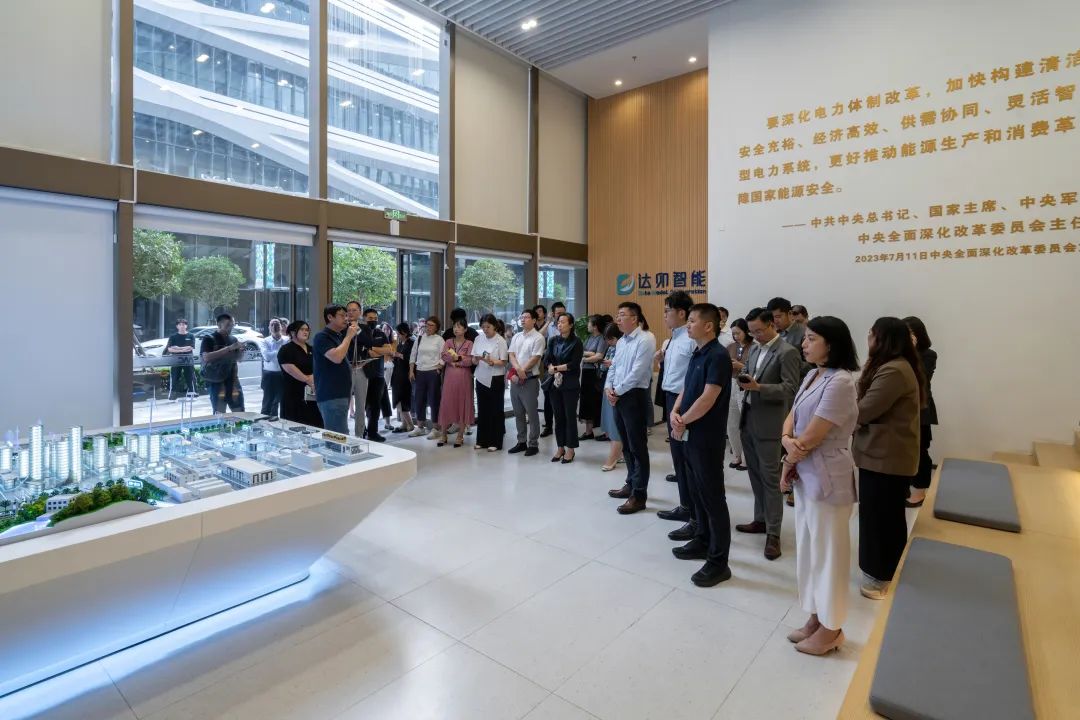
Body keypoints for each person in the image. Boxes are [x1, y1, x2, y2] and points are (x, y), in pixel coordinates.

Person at [780, 316, 860, 656]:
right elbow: (793, 417)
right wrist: (787, 441)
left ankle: (832, 627)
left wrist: (789, 455)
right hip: (806, 471)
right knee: (809, 549)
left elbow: (813, 435)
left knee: (829, 554)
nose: (804, 343)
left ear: (832, 344)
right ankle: (816, 616)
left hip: (827, 474)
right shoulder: (813, 374)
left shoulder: (841, 382)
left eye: (812, 338)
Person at [855, 317, 925, 600]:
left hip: (886, 457)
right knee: (884, 515)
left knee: (880, 517)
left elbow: (864, 410)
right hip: (883, 455)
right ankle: (887, 568)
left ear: (882, 339)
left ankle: (880, 575)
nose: (868, 338)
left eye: (871, 334)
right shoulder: (892, 365)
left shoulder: (894, 370)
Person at [670, 303, 734, 587]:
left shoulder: (718, 355)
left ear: (709, 326)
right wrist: (676, 410)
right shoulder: (698, 352)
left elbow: (708, 397)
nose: (688, 324)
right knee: (696, 491)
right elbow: (687, 387)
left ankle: (719, 562)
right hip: (689, 432)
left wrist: (682, 420)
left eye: (693, 320)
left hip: (706, 436)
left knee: (713, 498)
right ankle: (702, 539)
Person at [736, 307, 802, 560]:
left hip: (770, 424)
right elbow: (749, 375)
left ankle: (774, 533)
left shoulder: (787, 352)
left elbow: (790, 388)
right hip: (749, 419)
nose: (755, 336)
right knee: (754, 475)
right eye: (752, 332)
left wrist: (759, 387)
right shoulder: (754, 349)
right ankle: (760, 519)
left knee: (771, 479)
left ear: (772, 325)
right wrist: (742, 377)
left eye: (759, 331)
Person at [606, 302, 657, 514]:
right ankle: (630, 483)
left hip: (634, 396)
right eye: (617, 315)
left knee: (637, 447)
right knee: (626, 444)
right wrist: (608, 388)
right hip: (618, 395)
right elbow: (614, 367)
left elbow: (638, 372)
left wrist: (617, 391)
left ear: (634, 318)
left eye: (622, 315)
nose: (618, 319)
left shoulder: (646, 338)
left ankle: (639, 495)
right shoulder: (621, 341)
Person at [657, 291, 698, 530]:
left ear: (681, 313)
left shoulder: (691, 340)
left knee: (687, 457)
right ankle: (685, 505)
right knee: (678, 457)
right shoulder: (673, 338)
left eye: (667, 311)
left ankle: (693, 510)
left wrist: (680, 405)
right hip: (671, 397)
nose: (664, 316)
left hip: (684, 401)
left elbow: (692, 378)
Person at [903, 316, 938, 507]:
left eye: (909, 334)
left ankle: (920, 491)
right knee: (905, 450)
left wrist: (912, 352)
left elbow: (920, 380)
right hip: (902, 411)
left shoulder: (928, 354)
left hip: (920, 410)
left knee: (920, 451)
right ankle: (907, 486)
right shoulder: (899, 355)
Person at [312, 304, 359, 434]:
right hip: (331, 394)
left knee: (340, 433)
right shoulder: (322, 336)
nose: (346, 319)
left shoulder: (337, 336)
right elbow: (337, 357)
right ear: (330, 317)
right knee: (338, 436)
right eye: (342, 316)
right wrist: (348, 337)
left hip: (341, 393)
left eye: (346, 316)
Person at [543, 312, 584, 463]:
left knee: (569, 416)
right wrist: (550, 366)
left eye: (563, 322)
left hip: (570, 384)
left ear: (571, 325)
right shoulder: (553, 340)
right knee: (558, 416)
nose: (559, 325)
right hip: (555, 383)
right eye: (558, 322)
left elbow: (574, 364)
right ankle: (560, 447)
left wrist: (556, 368)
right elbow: (546, 359)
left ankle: (571, 449)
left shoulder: (577, 342)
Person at [507, 309, 546, 456]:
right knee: (518, 413)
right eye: (522, 317)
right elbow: (511, 354)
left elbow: (535, 358)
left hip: (529, 379)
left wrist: (522, 371)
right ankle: (521, 441)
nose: (523, 319)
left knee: (532, 413)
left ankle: (533, 444)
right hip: (516, 378)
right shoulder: (516, 336)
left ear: (534, 320)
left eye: (527, 317)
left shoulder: (538, 337)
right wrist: (518, 370)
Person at [472, 314, 509, 451]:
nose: (485, 329)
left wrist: (492, 362)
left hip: (495, 378)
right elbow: (473, 359)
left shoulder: (500, 341)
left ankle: (495, 442)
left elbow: (504, 362)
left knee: (495, 410)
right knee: (482, 409)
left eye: (488, 327)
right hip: (481, 377)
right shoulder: (478, 338)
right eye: (483, 327)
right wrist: (476, 359)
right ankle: (482, 440)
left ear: (495, 326)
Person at [277, 320, 323, 428]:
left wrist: (314, 377)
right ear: (293, 333)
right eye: (302, 329)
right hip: (293, 394)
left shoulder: (312, 349)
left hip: (312, 394)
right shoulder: (286, 349)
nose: (305, 332)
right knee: (295, 426)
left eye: (307, 330)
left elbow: (320, 366)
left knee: (315, 425)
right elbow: (290, 369)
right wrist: (307, 379)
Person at [437, 319, 475, 447]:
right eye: (454, 327)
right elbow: (444, 355)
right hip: (449, 377)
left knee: (462, 404)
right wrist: (456, 359)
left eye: (459, 327)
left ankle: (460, 436)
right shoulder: (448, 341)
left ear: (465, 329)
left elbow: (470, 360)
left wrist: (457, 359)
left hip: (464, 378)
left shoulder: (469, 343)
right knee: (446, 403)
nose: (456, 329)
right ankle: (443, 435)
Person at [200, 313, 247, 414]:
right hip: (216, 382)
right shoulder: (209, 338)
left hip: (233, 381)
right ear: (219, 324)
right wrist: (229, 348)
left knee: (240, 412)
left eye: (232, 325)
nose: (231, 328)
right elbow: (206, 357)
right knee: (219, 414)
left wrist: (241, 351)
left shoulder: (233, 339)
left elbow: (239, 359)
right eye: (228, 325)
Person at [409, 316, 445, 438]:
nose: (428, 327)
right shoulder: (420, 338)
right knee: (419, 399)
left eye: (431, 325)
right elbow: (413, 354)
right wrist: (411, 370)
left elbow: (444, 355)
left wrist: (439, 367)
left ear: (436, 328)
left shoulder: (439, 339)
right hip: (420, 371)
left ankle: (436, 428)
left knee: (434, 400)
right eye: (427, 325)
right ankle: (420, 427)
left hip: (433, 372)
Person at [362, 308, 394, 443]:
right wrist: (380, 351)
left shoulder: (380, 333)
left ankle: (373, 432)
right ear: (364, 318)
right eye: (370, 318)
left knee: (375, 406)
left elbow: (389, 350)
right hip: (362, 374)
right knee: (362, 405)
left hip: (378, 374)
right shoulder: (359, 333)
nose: (373, 321)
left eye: (375, 318)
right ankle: (361, 431)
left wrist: (372, 349)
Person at [727, 318, 753, 471]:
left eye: (738, 333)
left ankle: (746, 458)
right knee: (731, 423)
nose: (735, 336)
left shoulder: (754, 347)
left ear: (746, 331)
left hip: (746, 384)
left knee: (745, 423)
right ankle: (737, 454)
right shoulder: (730, 347)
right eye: (733, 334)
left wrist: (740, 366)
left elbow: (756, 369)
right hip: (731, 383)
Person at [344, 301, 373, 438]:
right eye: (348, 310)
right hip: (345, 369)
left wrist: (358, 330)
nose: (351, 313)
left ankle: (359, 435)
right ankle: (343, 433)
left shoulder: (365, 328)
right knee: (344, 404)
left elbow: (369, 343)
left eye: (354, 310)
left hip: (361, 369)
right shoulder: (342, 327)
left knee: (361, 405)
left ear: (360, 312)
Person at [598, 324, 624, 468]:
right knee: (610, 422)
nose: (609, 342)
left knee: (616, 424)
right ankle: (620, 454)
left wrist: (612, 363)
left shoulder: (623, 347)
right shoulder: (611, 348)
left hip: (618, 388)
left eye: (611, 339)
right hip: (609, 385)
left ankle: (614, 457)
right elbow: (604, 366)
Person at [579, 315, 608, 440]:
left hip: (594, 374)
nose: (587, 325)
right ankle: (588, 431)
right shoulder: (590, 337)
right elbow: (583, 351)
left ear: (595, 326)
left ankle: (597, 431)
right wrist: (590, 354)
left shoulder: (602, 338)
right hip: (586, 372)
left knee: (593, 402)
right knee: (585, 401)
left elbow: (599, 356)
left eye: (589, 323)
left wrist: (584, 358)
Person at [540, 302, 566, 438]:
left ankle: (563, 426)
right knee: (548, 397)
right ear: (553, 313)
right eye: (558, 313)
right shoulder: (550, 326)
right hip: (550, 365)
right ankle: (549, 426)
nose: (561, 315)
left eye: (563, 312)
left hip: (564, 366)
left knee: (562, 397)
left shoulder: (569, 326)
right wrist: (548, 321)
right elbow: (539, 336)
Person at [390, 322, 415, 433]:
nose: (398, 335)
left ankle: (410, 424)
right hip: (397, 374)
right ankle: (404, 424)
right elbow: (398, 359)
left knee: (403, 399)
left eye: (399, 333)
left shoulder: (411, 343)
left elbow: (412, 359)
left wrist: (399, 355)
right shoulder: (400, 344)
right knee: (398, 400)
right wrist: (393, 357)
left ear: (404, 333)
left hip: (405, 375)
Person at [260, 318, 288, 417]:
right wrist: (282, 350)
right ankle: (264, 421)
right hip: (269, 375)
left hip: (283, 374)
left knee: (281, 400)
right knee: (268, 402)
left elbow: (289, 356)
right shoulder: (265, 341)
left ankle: (277, 421)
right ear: (269, 328)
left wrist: (273, 353)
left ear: (281, 327)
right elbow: (267, 357)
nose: (274, 326)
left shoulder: (287, 340)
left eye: (277, 324)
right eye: (272, 324)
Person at [165, 318, 197, 400]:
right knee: (175, 377)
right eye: (180, 324)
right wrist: (183, 349)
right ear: (177, 326)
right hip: (176, 360)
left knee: (190, 377)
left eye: (183, 324)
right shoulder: (173, 337)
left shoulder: (191, 336)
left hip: (188, 359)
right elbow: (169, 349)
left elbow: (191, 347)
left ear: (186, 326)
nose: (182, 326)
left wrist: (177, 348)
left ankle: (192, 395)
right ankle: (172, 397)